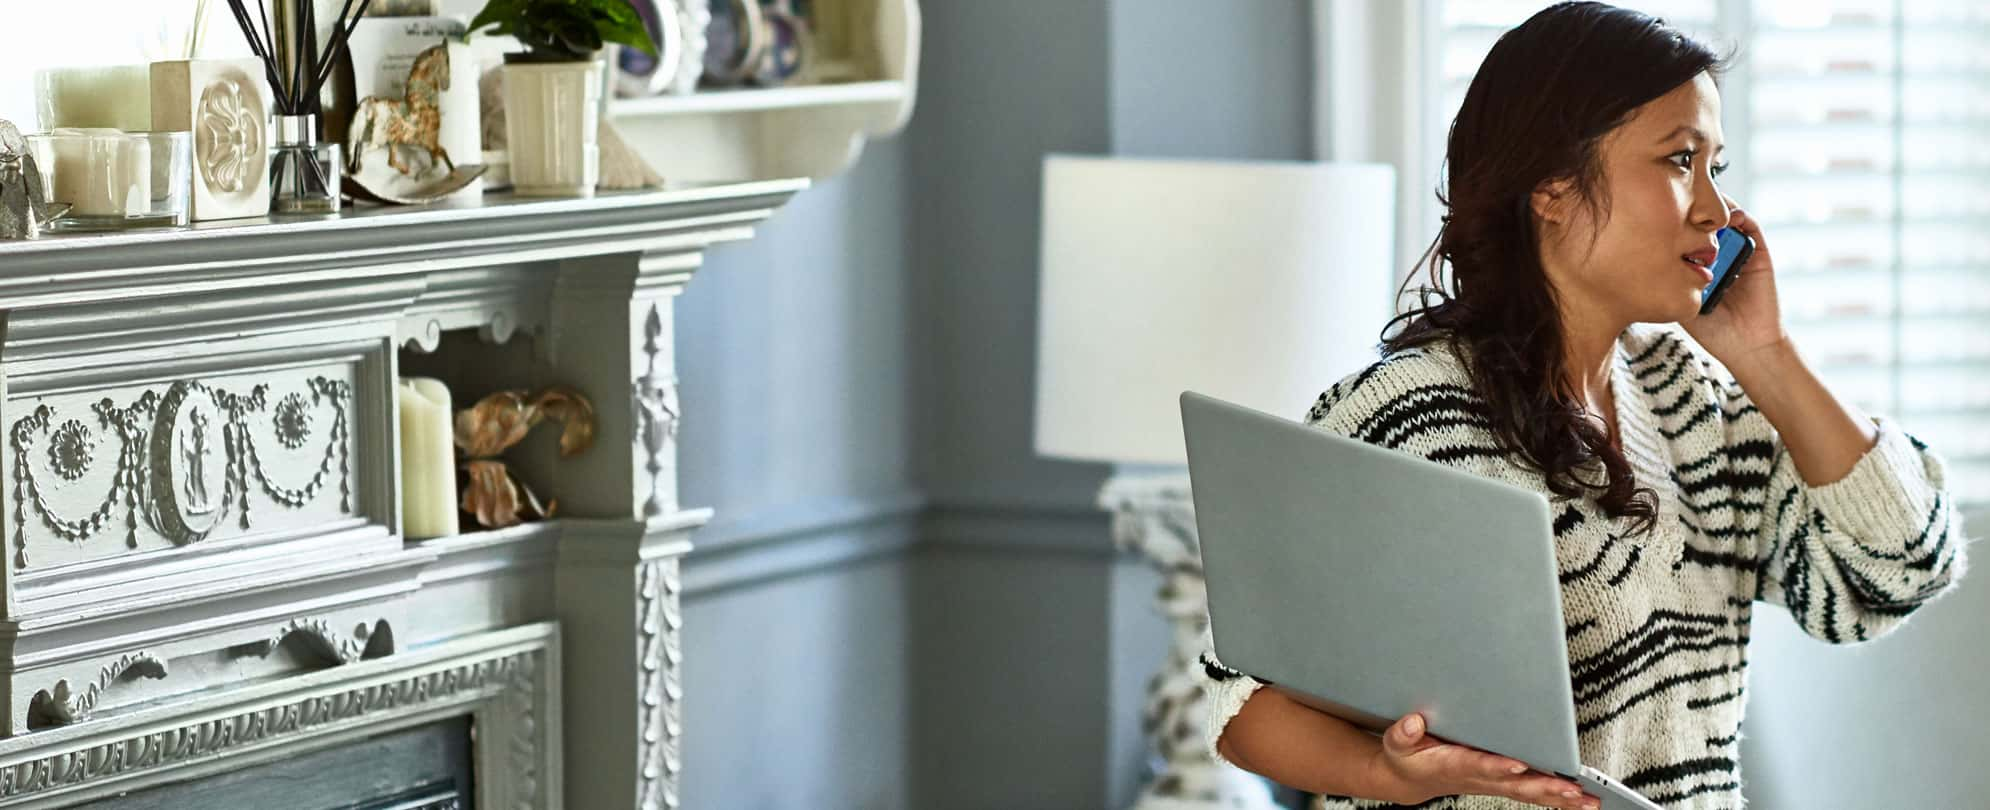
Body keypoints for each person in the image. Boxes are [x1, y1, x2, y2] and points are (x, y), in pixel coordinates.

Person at [1195, 3, 1974, 809]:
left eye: (1718, 168)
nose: (1717, 210)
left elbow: (1900, 572)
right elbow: (1238, 694)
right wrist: (1380, 773)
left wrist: (1768, 357)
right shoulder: (1405, 418)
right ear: (1553, 189)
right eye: (1679, 161)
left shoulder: (1696, 402)